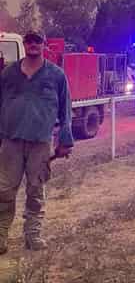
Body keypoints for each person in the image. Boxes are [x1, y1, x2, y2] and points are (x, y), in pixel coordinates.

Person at [0, 30, 74, 254]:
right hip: (10, 142)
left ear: (43, 45)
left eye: (37, 41)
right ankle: (0, 236)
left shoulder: (56, 75)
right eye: (29, 41)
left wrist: (65, 140)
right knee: (3, 191)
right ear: (24, 44)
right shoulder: (8, 74)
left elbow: (65, 110)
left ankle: (33, 235)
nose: (33, 44)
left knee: (35, 191)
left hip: (40, 143)